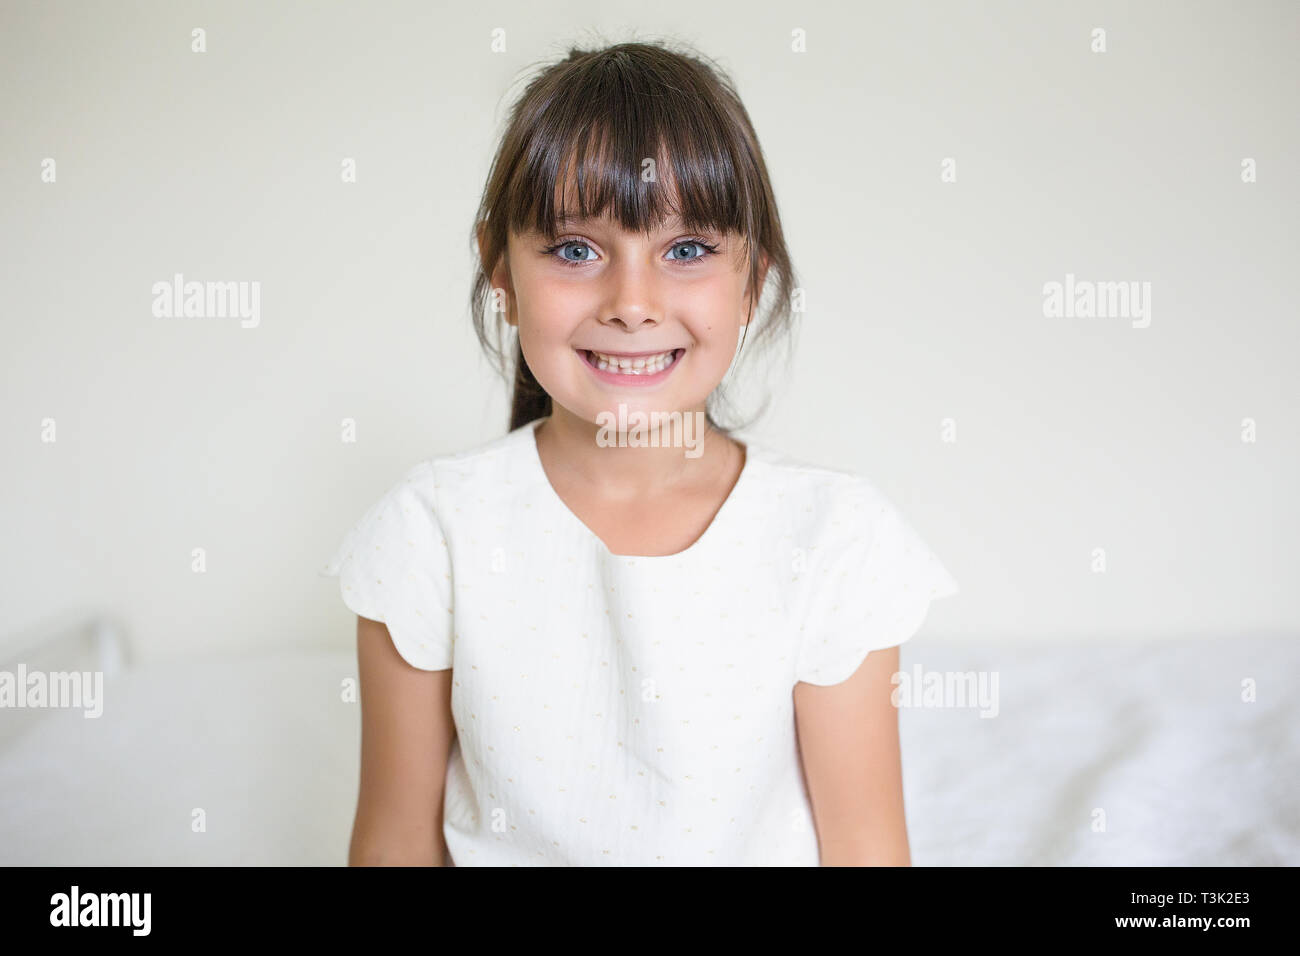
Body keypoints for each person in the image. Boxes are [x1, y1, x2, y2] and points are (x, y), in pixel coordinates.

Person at [323, 39, 958, 866]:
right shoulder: (429, 535)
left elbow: (866, 847)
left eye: (686, 250)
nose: (632, 303)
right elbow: (396, 847)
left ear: (752, 281)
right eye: (575, 250)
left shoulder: (833, 537)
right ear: (500, 272)